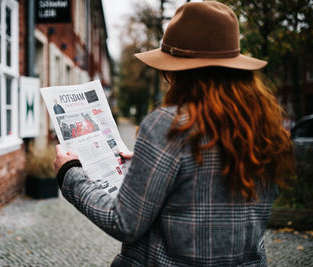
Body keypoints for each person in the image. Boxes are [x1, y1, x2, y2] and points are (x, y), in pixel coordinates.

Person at [54, 2, 294, 266]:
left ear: (178, 71)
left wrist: (70, 174)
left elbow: (123, 222)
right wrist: (151, 165)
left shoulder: (169, 125)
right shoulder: (266, 129)